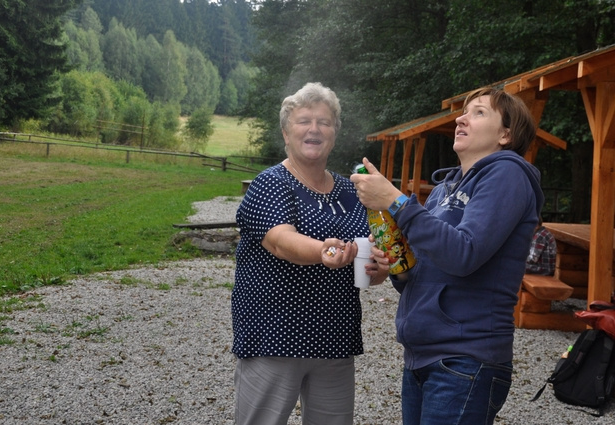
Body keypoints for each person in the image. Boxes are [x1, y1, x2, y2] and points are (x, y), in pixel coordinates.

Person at [350, 87, 544, 425]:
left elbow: (463, 254)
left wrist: (396, 202)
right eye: (464, 112)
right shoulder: (443, 191)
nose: (461, 119)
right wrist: (396, 264)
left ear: (505, 135)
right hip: (421, 356)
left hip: (466, 358)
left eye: (479, 112)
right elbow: (422, 274)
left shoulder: (508, 174)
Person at [232, 82, 389, 425]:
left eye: (324, 122)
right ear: (286, 133)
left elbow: (369, 251)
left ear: (334, 134)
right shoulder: (270, 183)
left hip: (336, 338)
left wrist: (378, 269)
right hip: (275, 335)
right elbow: (280, 240)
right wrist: (323, 251)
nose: (314, 129)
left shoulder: (351, 190)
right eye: (304, 121)